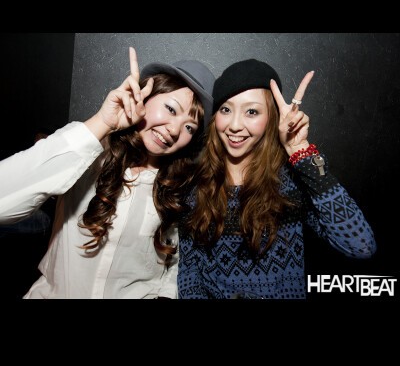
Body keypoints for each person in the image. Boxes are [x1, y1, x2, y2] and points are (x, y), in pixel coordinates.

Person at [0, 47, 215, 299]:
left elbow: (173, 266)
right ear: (145, 96)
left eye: (190, 127)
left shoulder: (179, 189)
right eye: (171, 109)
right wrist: (102, 122)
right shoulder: (89, 152)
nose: (175, 129)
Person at [176, 58, 377, 299]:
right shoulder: (194, 188)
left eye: (252, 111)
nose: (235, 125)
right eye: (226, 110)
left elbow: (361, 246)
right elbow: (190, 274)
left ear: (272, 118)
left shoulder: (291, 183)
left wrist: (300, 150)